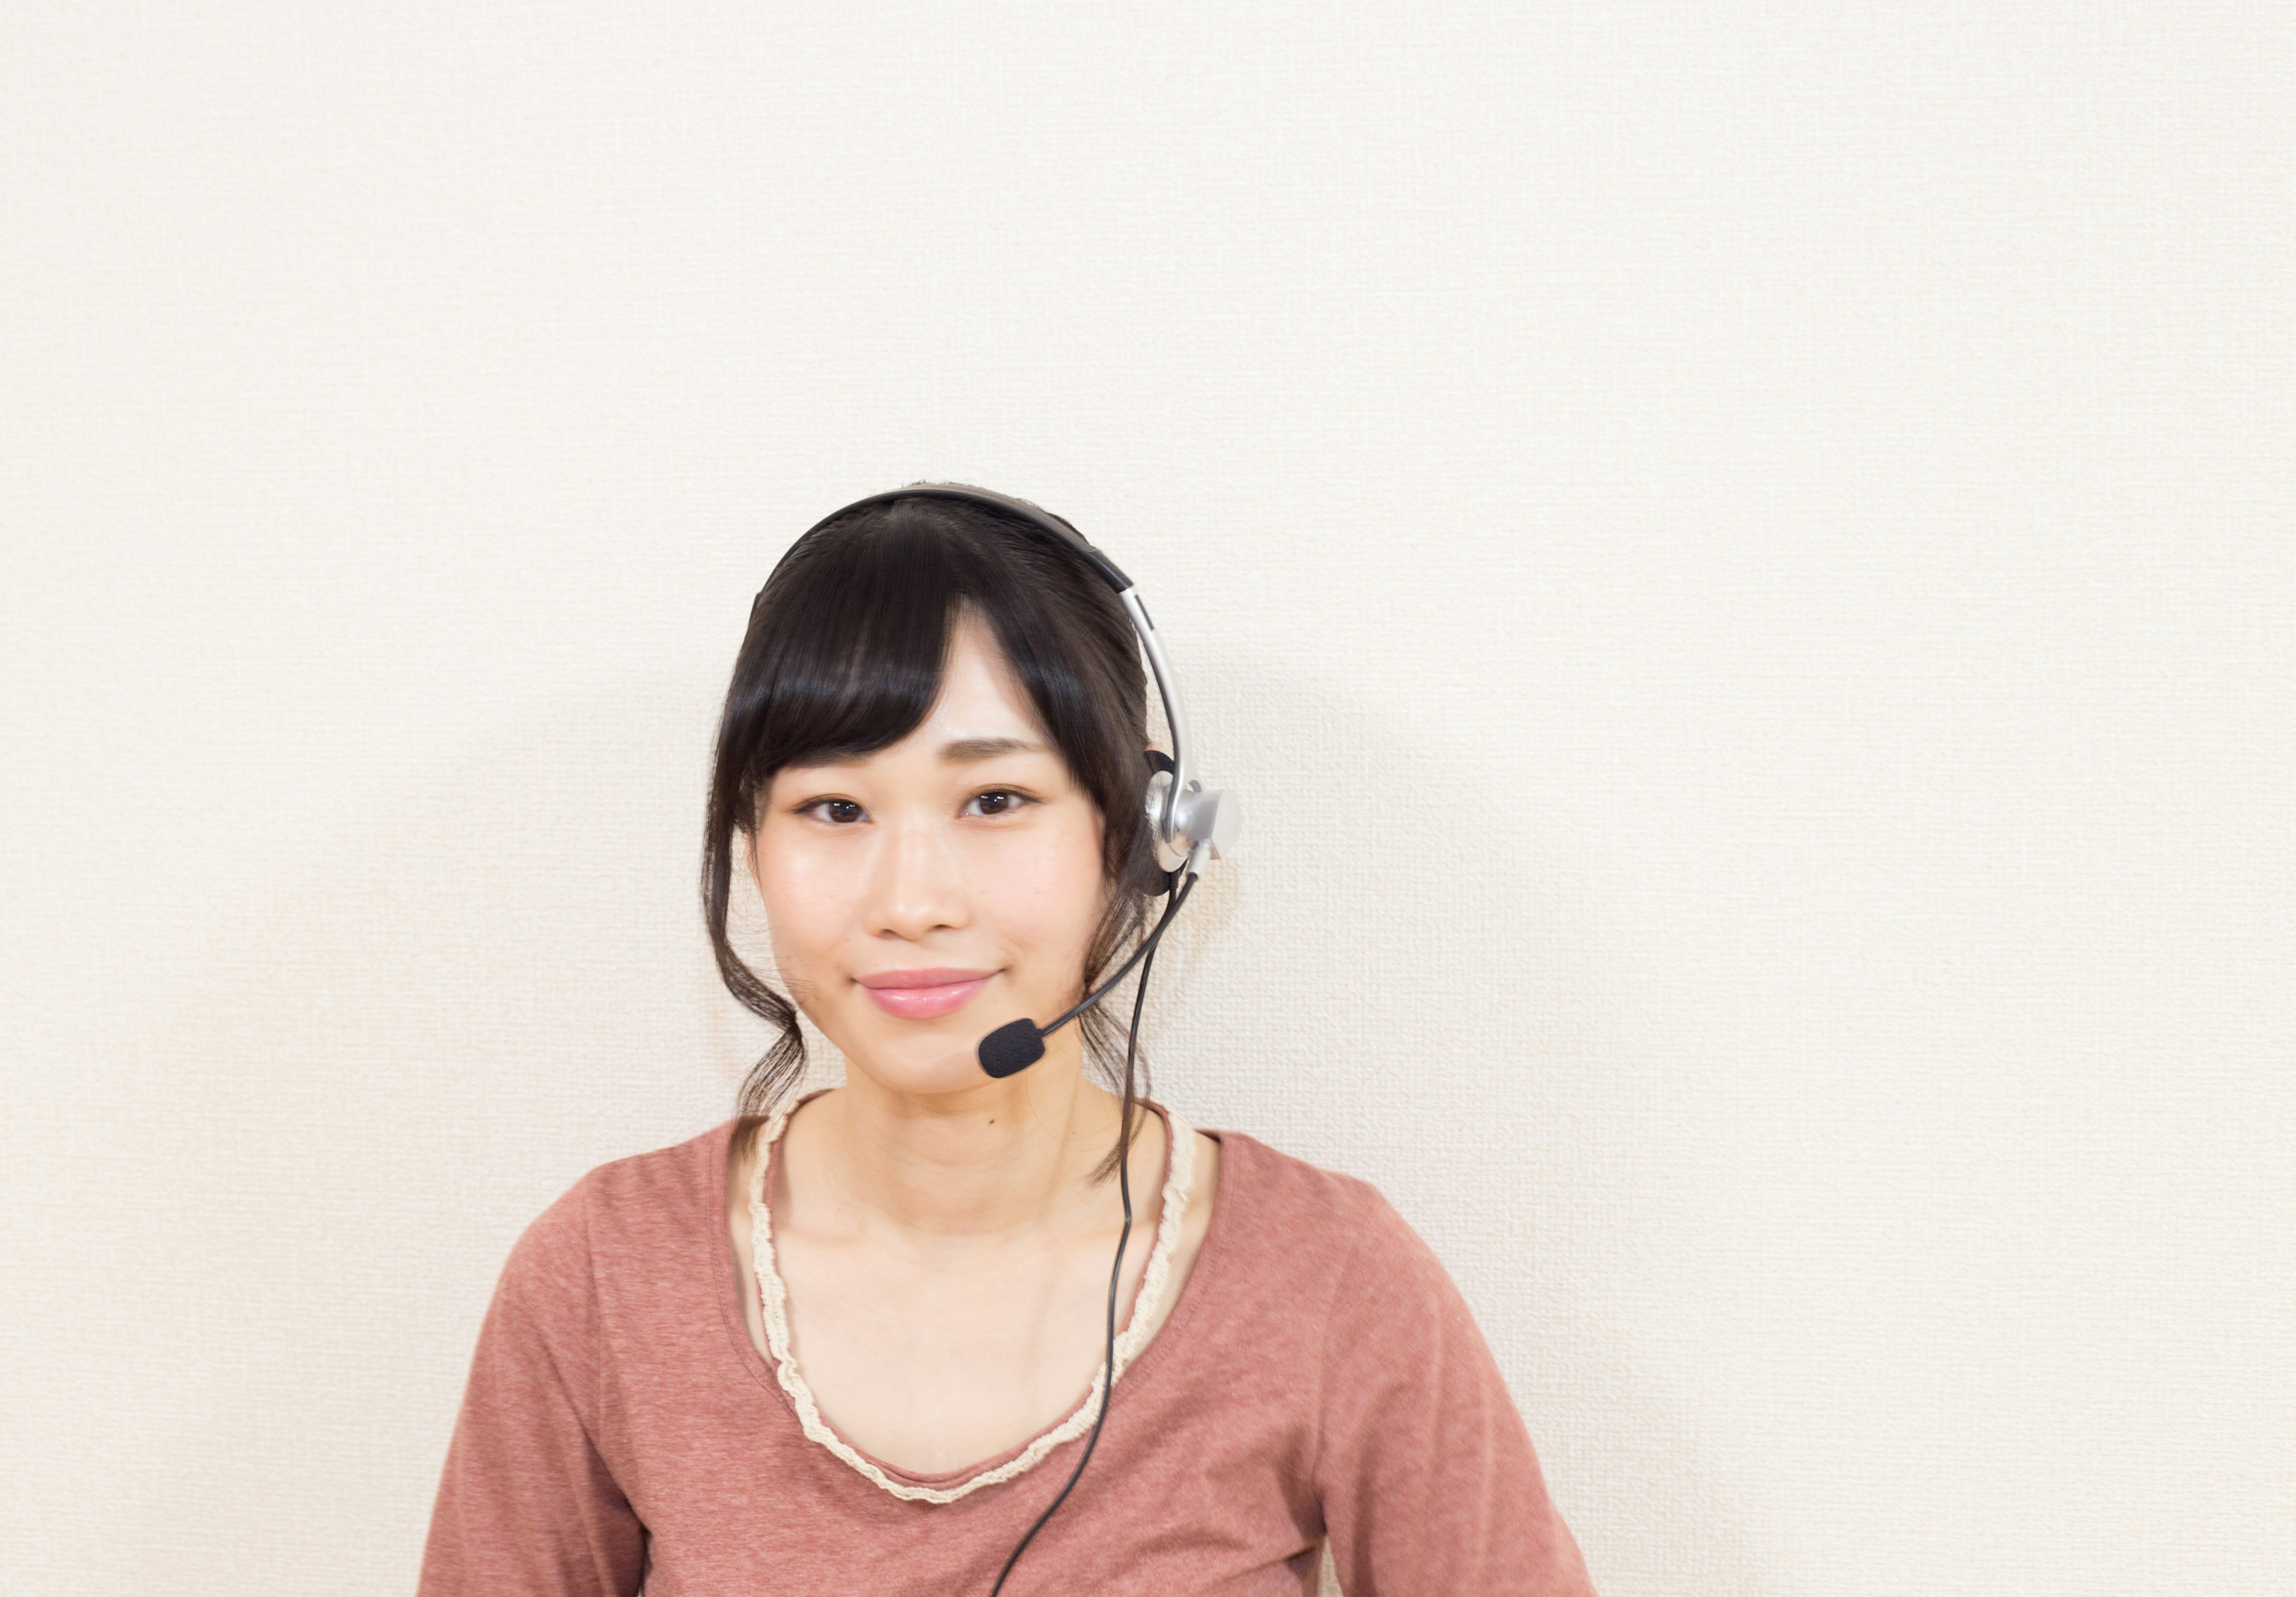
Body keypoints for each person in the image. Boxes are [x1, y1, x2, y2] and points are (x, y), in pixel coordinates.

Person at [417, 488, 1598, 1595]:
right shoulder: (599, 1278)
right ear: (754, 850)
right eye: (834, 809)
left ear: (1133, 837)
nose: (912, 899)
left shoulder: (1331, 1281)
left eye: (994, 802)